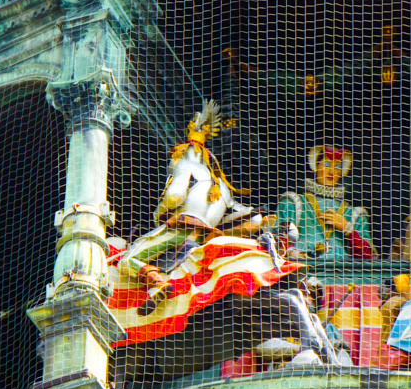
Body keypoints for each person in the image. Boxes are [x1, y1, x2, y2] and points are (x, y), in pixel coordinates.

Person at [119, 100, 264, 315]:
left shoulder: (186, 166)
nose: (172, 163)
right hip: (199, 240)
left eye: (173, 157)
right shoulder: (223, 187)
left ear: (182, 152)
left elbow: (175, 196)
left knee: (127, 260)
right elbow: (250, 219)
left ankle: (157, 284)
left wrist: (159, 216)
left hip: (180, 229)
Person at [276, 144, 376, 261]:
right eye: (327, 165)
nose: (332, 172)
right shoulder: (293, 204)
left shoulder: (355, 214)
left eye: (338, 167)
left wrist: (348, 229)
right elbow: (275, 239)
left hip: (343, 274)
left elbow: (369, 257)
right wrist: (292, 252)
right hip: (302, 270)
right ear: (315, 167)